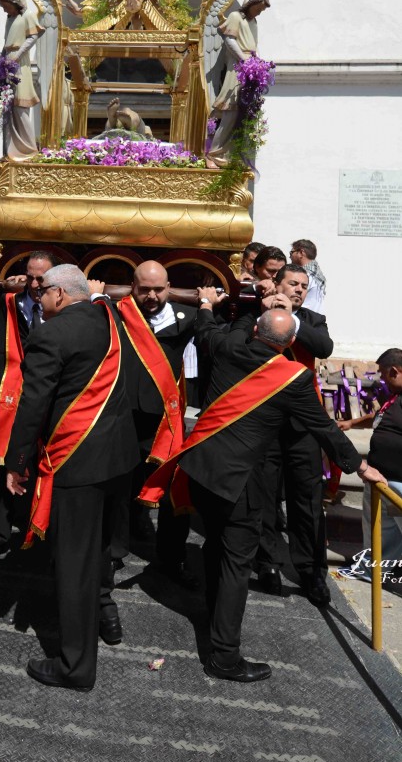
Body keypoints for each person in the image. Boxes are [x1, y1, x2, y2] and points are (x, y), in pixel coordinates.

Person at [150, 293, 384, 684]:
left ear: (254, 329)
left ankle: (213, 613)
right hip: (237, 480)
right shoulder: (292, 377)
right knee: (236, 563)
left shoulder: (226, 347)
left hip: (200, 468)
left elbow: (207, 330)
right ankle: (224, 656)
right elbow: (323, 427)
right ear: (291, 344)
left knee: (215, 547)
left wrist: (210, 306)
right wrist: (358, 464)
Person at [5, 265, 139, 691]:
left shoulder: (50, 334)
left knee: (75, 566)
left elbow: (33, 405)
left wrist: (16, 461)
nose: (38, 297)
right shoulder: (111, 319)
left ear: (60, 295)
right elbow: (101, 299)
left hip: (76, 462)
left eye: (42, 291)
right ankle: (104, 620)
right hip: (119, 460)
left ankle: (75, 666)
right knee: (98, 552)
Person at [249, 264, 336, 603]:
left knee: (307, 499)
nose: (299, 289)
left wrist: (292, 318)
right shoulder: (258, 315)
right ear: (277, 283)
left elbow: (323, 347)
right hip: (266, 420)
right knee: (267, 496)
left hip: (303, 425)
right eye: (292, 283)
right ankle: (268, 563)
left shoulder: (313, 320)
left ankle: (311, 570)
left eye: (303, 285)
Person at [112, 261, 197, 583]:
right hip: (122, 418)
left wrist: (206, 302)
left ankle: (171, 557)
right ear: (132, 287)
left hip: (165, 422)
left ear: (169, 287)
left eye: (158, 289)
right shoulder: (118, 314)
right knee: (119, 490)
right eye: (144, 289)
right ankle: (114, 551)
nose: (151, 295)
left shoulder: (187, 318)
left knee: (172, 490)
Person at [0, 250, 55, 573]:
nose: (36, 284)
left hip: (48, 398)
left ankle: (34, 531)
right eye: (32, 276)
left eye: (43, 278)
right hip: (9, 397)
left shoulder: (63, 308)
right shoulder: (8, 301)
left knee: (39, 466)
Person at [339, 347, 402, 581]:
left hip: (399, 482)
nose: (381, 378)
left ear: (395, 371)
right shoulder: (395, 395)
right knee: (384, 532)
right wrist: (352, 422)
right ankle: (373, 571)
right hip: (381, 479)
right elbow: (380, 417)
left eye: (383, 373)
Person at [207, 0, 270, 168]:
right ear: (251, 4)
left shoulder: (254, 22)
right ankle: (213, 153)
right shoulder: (236, 17)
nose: (259, 13)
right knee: (230, 112)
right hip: (238, 69)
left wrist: (258, 65)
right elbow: (230, 41)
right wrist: (244, 60)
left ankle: (231, 154)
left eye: (261, 10)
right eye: (258, 8)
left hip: (250, 69)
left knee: (243, 114)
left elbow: (254, 47)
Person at [0, 0, 44, 161]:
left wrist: (17, 56)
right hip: (7, 64)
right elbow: (6, 43)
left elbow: (33, 37)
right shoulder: (9, 19)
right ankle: (10, 151)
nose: (4, 10)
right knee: (7, 107)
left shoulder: (27, 16)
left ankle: (29, 149)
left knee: (20, 105)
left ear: (13, 3)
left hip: (19, 64)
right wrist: (0, 61)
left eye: (5, 6)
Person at [290, 239, 326, 314]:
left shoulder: (305, 275)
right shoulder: (317, 273)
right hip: (315, 318)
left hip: (304, 318)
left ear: (301, 253)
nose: (290, 256)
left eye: (292, 252)